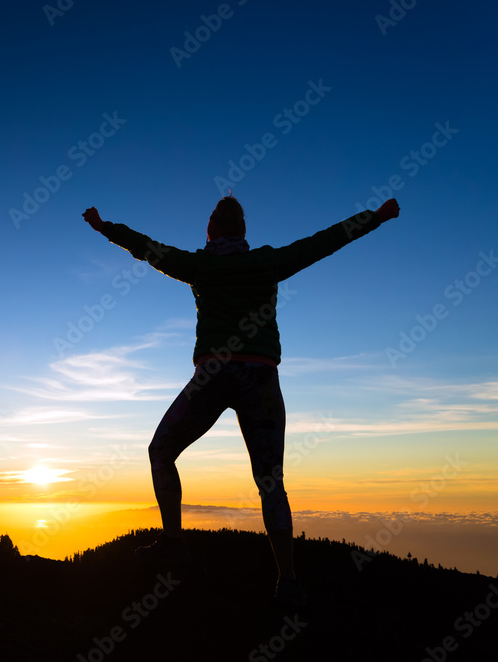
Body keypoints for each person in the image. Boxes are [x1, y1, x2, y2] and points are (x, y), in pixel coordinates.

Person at [83, 195, 400, 607]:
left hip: (213, 376)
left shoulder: (200, 265)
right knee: (271, 483)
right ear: (244, 231)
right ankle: (287, 580)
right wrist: (374, 218)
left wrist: (106, 228)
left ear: (211, 230)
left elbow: (149, 249)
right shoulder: (266, 263)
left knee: (161, 451)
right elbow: (324, 242)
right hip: (261, 379)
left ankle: (174, 542)